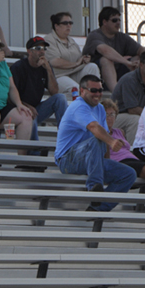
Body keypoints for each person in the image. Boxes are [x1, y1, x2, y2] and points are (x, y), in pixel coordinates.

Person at [55, 75, 136, 211]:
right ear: (82, 91)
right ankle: (94, 188)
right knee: (97, 137)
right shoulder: (78, 106)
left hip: (91, 159)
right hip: (67, 159)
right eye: (94, 90)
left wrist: (107, 160)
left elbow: (103, 138)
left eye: (100, 90)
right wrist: (112, 141)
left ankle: (97, 209)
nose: (98, 94)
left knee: (129, 174)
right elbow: (95, 128)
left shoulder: (99, 109)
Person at [10, 36, 67, 142]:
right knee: (30, 117)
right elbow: (9, 96)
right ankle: (34, 152)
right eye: (38, 48)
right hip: (19, 109)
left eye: (44, 49)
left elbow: (54, 92)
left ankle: (65, 140)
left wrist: (49, 70)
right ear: (29, 51)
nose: (42, 52)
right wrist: (26, 106)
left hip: (37, 109)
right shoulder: (18, 67)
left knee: (60, 98)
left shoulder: (45, 67)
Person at [83, 6, 145, 92]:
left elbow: (140, 49)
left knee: (137, 58)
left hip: (117, 72)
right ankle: (116, 93)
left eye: (119, 20)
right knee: (106, 60)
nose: (118, 23)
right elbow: (105, 50)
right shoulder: (94, 35)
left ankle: (140, 91)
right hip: (98, 76)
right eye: (114, 20)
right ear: (104, 22)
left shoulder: (122, 37)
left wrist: (141, 60)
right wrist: (127, 62)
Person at [44, 12, 100, 94]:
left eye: (70, 23)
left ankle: (96, 93)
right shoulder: (49, 40)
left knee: (92, 66)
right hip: (58, 76)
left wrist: (85, 59)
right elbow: (54, 61)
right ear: (56, 26)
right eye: (65, 23)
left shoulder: (71, 40)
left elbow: (79, 59)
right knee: (76, 89)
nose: (69, 25)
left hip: (74, 73)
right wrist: (76, 63)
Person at [111, 50, 145, 145]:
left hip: (137, 116)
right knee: (135, 120)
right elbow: (132, 110)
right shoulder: (129, 79)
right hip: (114, 117)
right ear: (141, 65)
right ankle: (132, 154)